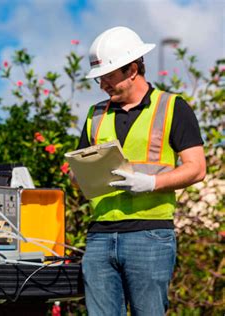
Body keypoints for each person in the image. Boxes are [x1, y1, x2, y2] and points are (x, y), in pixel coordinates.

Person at [74, 27, 206, 315]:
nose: (102, 85)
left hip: (149, 235)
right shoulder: (95, 115)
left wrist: (150, 182)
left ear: (132, 69)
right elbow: (79, 172)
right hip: (100, 235)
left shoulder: (172, 107)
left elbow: (197, 168)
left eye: (108, 76)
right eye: (100, 78)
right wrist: (80, 176)